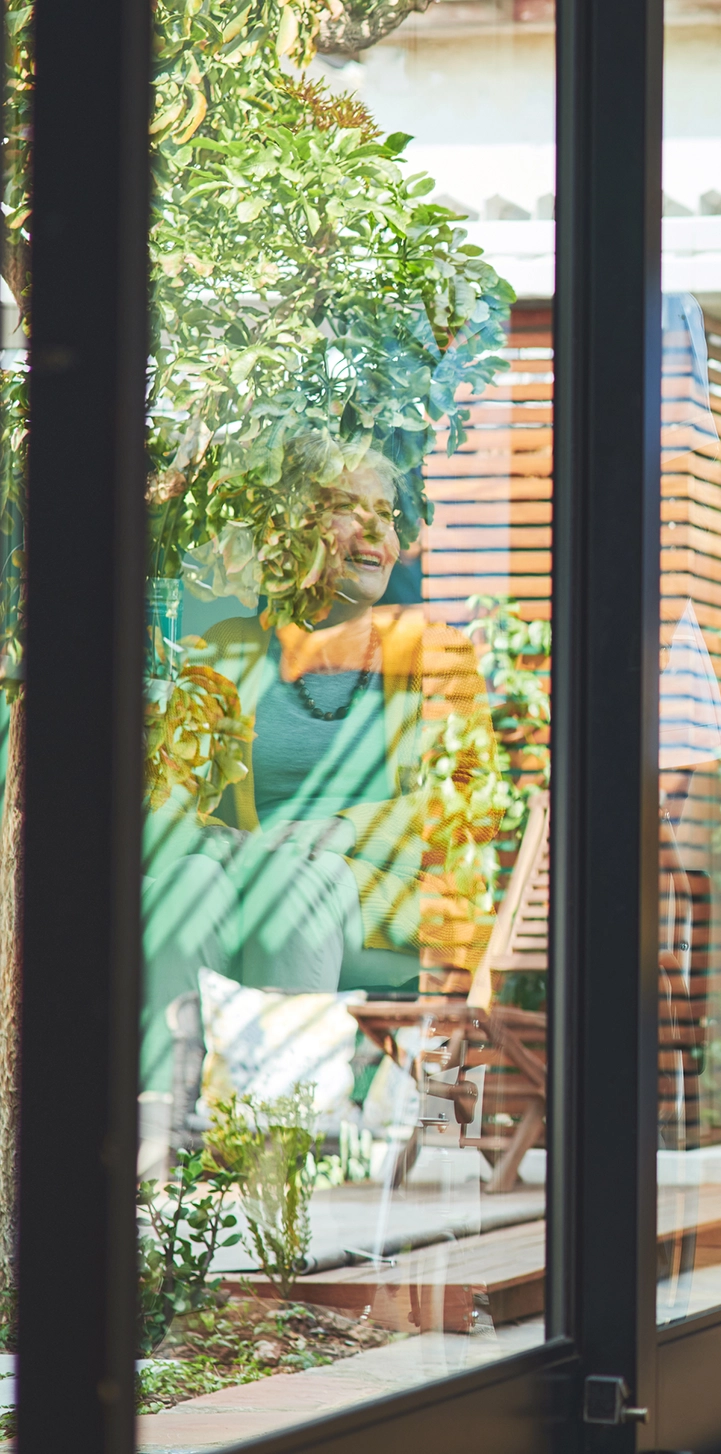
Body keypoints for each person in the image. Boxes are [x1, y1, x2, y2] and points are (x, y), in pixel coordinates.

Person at [140, 440, 502, 1094]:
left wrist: (328, 832)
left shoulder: (437, 657)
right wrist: (217, 845)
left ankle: (282, 1133)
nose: (375, 532)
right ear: (284, 532)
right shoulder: (220, 654)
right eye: (345, 508)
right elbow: (167, 810)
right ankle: (166, 1131)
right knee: (184, 887)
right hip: (254, 879)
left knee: (291, 883)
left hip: (387, 907)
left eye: (387, 514)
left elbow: (460, 813)